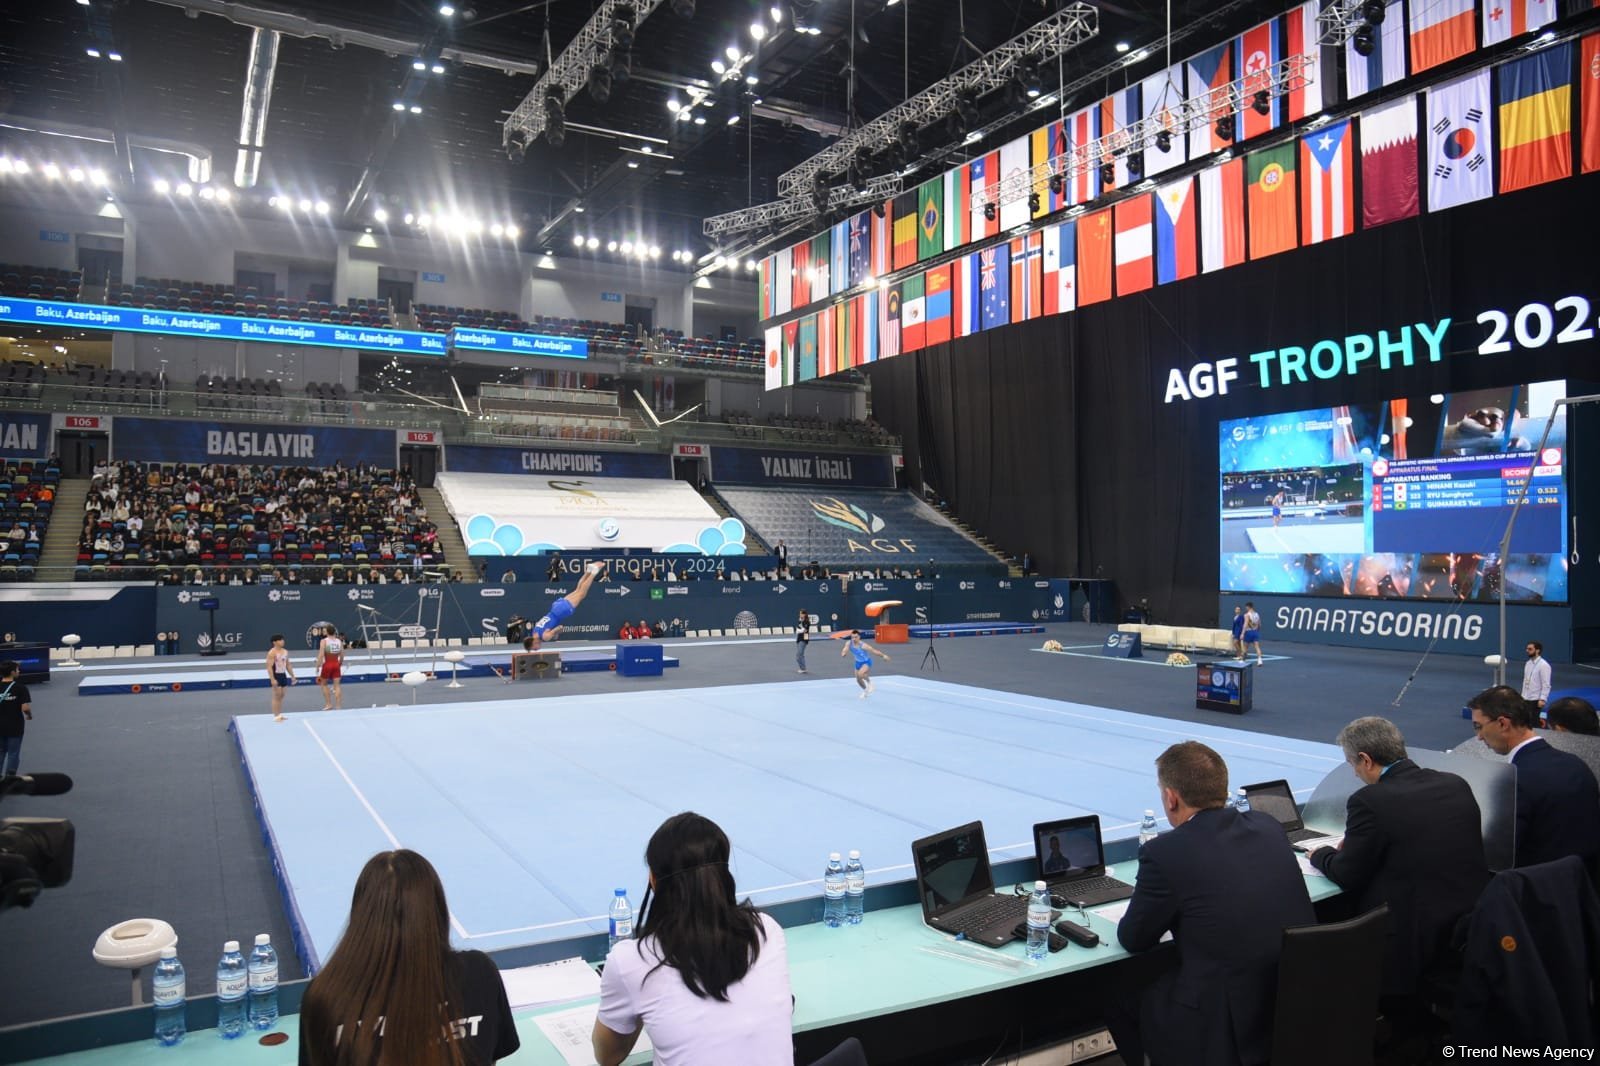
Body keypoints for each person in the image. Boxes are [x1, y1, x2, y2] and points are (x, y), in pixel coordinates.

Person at [1107, 741, 1314, 1066]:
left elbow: (1134, 939)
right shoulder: (1267, 827)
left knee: (1114, 992)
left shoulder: (1165, 852)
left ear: (1171, 797)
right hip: (1285, 999)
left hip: (1224, 1014)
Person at [1308, 717, 1489, 1007]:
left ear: (1366, 760)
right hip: (1467, 920)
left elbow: (1346, 873)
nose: (1355, 773)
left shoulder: (1370, 800)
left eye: (1352, 764)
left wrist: (1320, 854)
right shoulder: (1454, 784)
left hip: (1410, 933)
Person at [592, 812, 793, 1066]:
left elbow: (607, 1056)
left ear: (653, 880)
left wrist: (638, 998)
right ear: (722, 877)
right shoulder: (767, 931)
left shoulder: (632, 961)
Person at [298, 849, 520, 1066]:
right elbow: (490, 1055)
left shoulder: (325, 997)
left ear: (362, 917)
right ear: (436, 911)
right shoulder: (478, 974)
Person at [1468, 685, 1600, 869]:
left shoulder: (1512, 782)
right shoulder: (1577, 765)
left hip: (1535, 889)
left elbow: (1497, 855)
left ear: (1503, 724)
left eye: (1478, 727)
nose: (1479, 737)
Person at [524, 562, 606, 650]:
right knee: (578, 590)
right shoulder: (534, 632)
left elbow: (560, 628)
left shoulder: (545, 637)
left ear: (533, 644)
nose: (537, 649)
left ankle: (594, 572)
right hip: (555, 607)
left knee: (582, 594)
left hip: (562, 612)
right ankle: (589, 570)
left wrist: (556, 633)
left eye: (534, 648)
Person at [0, 660, 34, 778]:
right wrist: (29, 715)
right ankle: (10, 778)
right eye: (17, 669)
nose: (19, 671)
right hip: (15, 725)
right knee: (13, 753)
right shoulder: (20, 688)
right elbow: (25, 707)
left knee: (1, 751)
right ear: (12, 672)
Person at [840, 630, 889, 698]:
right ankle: (865, 691)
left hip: (866, 662)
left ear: (859, 637)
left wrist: (883, 655)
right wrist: (843, 653)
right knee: (858, 680)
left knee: (861, 674)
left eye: (856, 637)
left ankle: (870, 683)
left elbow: (874, 651)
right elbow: (845, 649)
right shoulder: (849, 643)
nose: (854, 639)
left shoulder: (863, 645)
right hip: (857, 663)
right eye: (852, 637)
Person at [266, 634, 295, 722]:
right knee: (276, 696)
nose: (283, 641)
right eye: (280, 640)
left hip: (283, 675)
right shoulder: (272, 652)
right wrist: (272, 679)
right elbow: (269, 667)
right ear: (275, 642)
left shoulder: (285, 651)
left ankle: (279, 714)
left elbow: (288, 665)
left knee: (282, 695)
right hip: (276, 675)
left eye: (283, 640)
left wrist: (293, 676)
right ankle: (276, 716)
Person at [315, 624, 345, 711]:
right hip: (336, 664)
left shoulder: (324, 641)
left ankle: (328, 704)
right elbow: (342, 654)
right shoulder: (339, 641)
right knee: (337, 686)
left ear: (327, 632)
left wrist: (317, 666)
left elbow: (321, 655)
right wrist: (340, 663)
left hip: (327, 665)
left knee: (324, 684)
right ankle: (338, 706)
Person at [1522, 640, 1551, 713]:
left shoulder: (1544, 665)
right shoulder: (1528, 663)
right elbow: (1525, 681)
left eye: (1530, 649)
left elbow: (1546, 684)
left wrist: (1542, 699)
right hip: (1525, 697)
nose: (1527, 651)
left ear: (1537, 650)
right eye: (1527, 649)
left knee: (1534, 721)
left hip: (1535, 699)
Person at [794, 609, 810, 675]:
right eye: (799, 613)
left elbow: (804, 630)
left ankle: (803, 668)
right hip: (799, 639)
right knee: (801, 655)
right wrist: (799, 630)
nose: (800, 614)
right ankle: (803, 668)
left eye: (801, 613)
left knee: (798, 655)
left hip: (804, 639)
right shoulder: (800, 621)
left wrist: (800, 630)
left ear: (804, 614)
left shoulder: (807, 622)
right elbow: (797, 630)